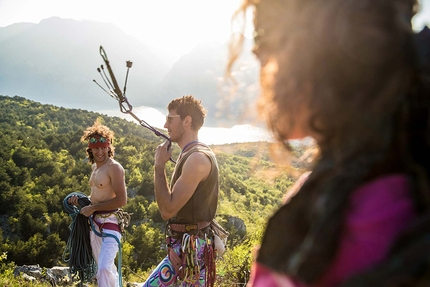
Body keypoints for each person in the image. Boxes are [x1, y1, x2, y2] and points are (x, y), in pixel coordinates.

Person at [228, 0, 430, 286]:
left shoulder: (336, 225)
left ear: (303, 59)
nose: (256, 54)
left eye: (262, 39)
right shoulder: (405, 190)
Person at [142, 95, 220, 287]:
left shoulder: (197, 160)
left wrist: (159, 167)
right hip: (185, 246)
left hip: (192, 252)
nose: (165, 125)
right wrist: (173, 244)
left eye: (170, 119)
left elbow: (168, 210)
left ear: (187, 121)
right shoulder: (190, 154)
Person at [68, 120, 127, 287]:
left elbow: (122, 200)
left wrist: (92, 208)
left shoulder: (114, 168)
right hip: (95, 223)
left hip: (110, 223)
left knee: (103, 268)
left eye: (103, 147)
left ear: (109, 147)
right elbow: (97, 195)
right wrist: (79, 201)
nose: (100, 151)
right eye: (96, 148)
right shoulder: (96, 168)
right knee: (104, 270)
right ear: (90, 149)